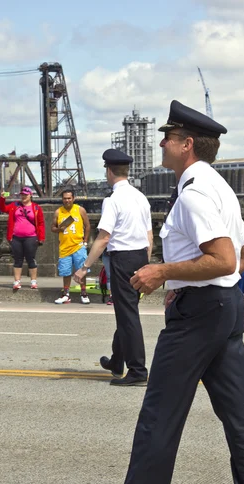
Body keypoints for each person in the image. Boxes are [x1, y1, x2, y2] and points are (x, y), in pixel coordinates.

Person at [82, 100, 244, 484]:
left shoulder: (193, 194)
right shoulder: (219, 187)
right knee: (240, 417)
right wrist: (224, 289)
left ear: (186, 145)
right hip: (224, 308)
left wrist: (164, 272)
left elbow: (223, 257)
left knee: (159, 414)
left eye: (168, 138)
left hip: (198, 315)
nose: (162, 143)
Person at [74, 149, 153, 386]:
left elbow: (103, 238)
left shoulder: (112, 200)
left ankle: (138, 369)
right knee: (126, 312)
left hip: (122, 258)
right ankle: (117, 361)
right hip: (140, 256)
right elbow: (150, 237)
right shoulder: (141, 197)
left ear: (109, 171)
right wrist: (145, 263)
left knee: (128, 316)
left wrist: (85, 267)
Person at [0, 187, 45, 290]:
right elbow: (3, 208)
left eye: (26, 194)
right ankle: (17, 281)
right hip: (16, 237)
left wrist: (41, 237)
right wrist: (2, 198)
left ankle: (33, 281)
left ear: (30, 195)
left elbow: (41, 224)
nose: (23, 196)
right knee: (17, 259)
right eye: (22, 194)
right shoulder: (14, 206)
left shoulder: (36, 208)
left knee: (30, 259)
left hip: (31, 237)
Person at [52, 189, 91, 305]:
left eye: (69, 198)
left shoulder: (80, 210)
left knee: (82, 270)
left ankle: (84, 293)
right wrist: (59, 229)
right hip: (64, 247)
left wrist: (85, 242)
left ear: (73, 198)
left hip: (78, 246)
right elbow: (52, 228)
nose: (67, 200)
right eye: (65, 198)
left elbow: (88, 226)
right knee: (65, 272)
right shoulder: (58, 212)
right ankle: (66, 294)